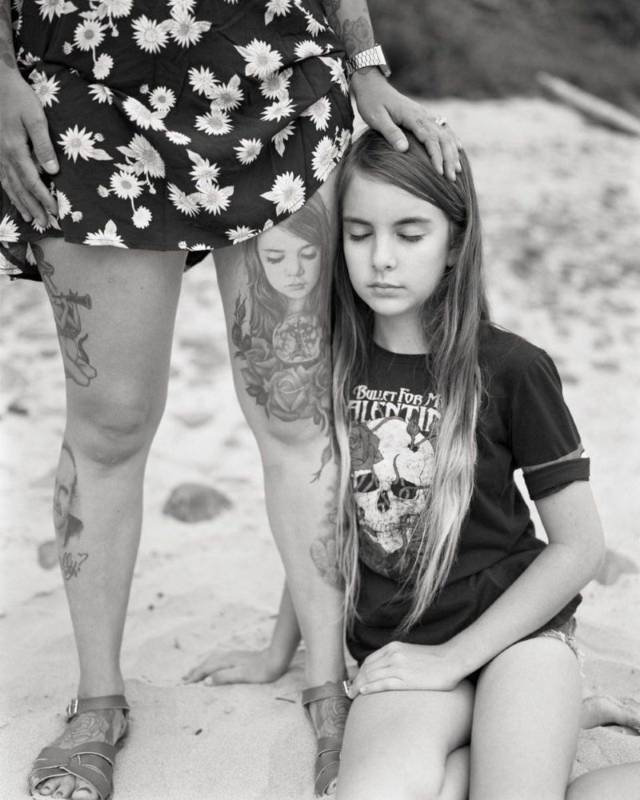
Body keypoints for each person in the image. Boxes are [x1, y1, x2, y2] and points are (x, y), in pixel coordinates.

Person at [0, 2, 462, 799]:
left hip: (274, 80)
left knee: (297, 413)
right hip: (88, 85)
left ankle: (327, 687)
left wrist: (365, 63)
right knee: (110, 423)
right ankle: (98, 700)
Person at [191, 128, 640, 800]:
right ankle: (527, 739)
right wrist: (277, 653)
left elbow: (579, 548)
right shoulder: (327, 368)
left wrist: (453, 659)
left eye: (409, 234)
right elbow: (321, 522)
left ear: (454, 242)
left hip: (518, 640)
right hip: (399, 655)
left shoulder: (512, 369)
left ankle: (538, 731)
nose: (382, 259)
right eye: (360, 234)